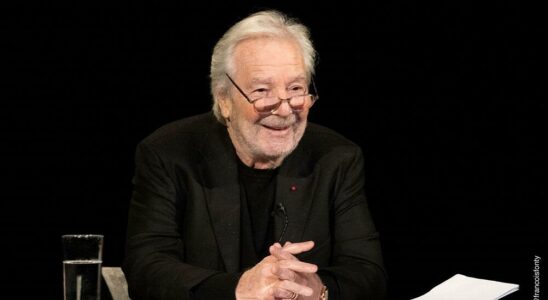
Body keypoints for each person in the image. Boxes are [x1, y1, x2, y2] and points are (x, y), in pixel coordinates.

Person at [123, 10, 387, 300]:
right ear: (224, 100)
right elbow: (146, 269)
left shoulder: (337, 158)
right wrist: (237, 289)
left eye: (296, 89)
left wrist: (319, 291)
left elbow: (367, 274)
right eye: (262, 90)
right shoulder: (169, 153)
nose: (285, 109)